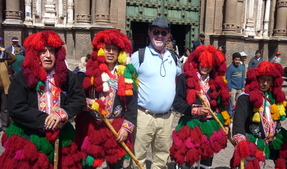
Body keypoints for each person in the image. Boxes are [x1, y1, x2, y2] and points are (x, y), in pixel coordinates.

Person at [0, 30, 86, 169]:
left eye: (51, 51)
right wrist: (45, 120)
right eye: (43, 51)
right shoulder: (23, 76)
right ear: (36, 54)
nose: (47, 56)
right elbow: (16, 107)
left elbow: (79, 98)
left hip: (61, 135)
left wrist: (62, 114)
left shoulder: (66, 75)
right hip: (30, 136)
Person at [75, 29, 138, 169]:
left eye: (114, 49)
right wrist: (87, 103)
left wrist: (126, 128)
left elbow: (132, 105)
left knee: (115, 164)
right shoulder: (87, 74)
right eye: (107, 49)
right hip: (93, 127)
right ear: (101, 51)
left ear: (119, 52)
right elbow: (77, 98)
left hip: (116, 127)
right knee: (89, 164)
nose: (110, 52)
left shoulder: (126, 75)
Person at [130, 18, 181, 169]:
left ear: (168, 36)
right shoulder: (138, 56)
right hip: (143, 116)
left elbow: (180, 80)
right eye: (156, 32)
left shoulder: (174, 58)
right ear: (149, 33)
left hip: (166, 118)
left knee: (161, 158)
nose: (159, 36)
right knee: (138, 157)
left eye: (163, 32)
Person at [170, 45, 231, 168]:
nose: (205, 66)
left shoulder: (217, 82)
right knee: (186, 161)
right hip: (190, 125)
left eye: (208, 64)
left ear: (213, 65)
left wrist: (226, 124)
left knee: (206, 162)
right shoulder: (184, 78)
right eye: (202, 62)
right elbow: (177, 103)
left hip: (210, 126)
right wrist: (195, 109)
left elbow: (223, 105)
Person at [230, 61, 287, 169]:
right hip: (255, 139)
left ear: (273, 81)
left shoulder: (275, 96)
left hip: (275, 138)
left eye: (268, 80)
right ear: (256, 79)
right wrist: (239, 138)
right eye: (262, 79)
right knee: (250, 164)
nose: (265, 83)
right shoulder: (246, 97)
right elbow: (239, 119)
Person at [0, 46, 17, 133]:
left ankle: (4, 125)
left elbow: (14, 58)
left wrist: (5, 50)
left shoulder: (5, 61)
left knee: (4, 108)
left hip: (4, 88)